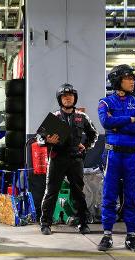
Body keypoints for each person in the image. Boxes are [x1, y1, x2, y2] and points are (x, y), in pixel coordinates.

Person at [98, 64, 135, 252]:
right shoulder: (105, 102)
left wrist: (118, 123)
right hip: (112, 155)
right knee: (109, 195)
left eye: (133, 78)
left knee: (132, 196)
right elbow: (106, 122)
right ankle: (107, 235)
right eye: (128, 78)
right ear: (118, 80)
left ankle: (131, 236)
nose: (132, 81)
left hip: (132, 156)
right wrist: (130, 118)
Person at [38, 83, 98, 236]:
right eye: (65, 96)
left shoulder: (82, 117)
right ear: (60, 99)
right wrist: (47, 141)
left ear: (74, 98)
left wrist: (86, 145)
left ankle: (82, 223)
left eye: (70, 96)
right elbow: (39, 138)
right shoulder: (54, 116)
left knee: (78, 192)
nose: (68, 98)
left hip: (75, 159)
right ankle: (45, 224)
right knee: (51, 192)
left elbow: (94, 134)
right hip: (57, 158)